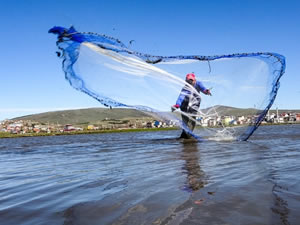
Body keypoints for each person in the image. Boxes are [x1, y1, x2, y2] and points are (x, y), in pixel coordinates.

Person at [172, 73, 211, 139]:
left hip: (194, 105)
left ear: (194, 80)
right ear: (186, 81)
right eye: (188, 81)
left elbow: (203, 89)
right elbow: (181, 97)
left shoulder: (198, 83)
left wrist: (206, 91)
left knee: (192, 120)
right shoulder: (186, 87)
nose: (190, 82)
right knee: (185, 122)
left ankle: (187, 137)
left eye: (191, 80)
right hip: (184, 105)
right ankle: (183, 136)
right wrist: (177, 105)